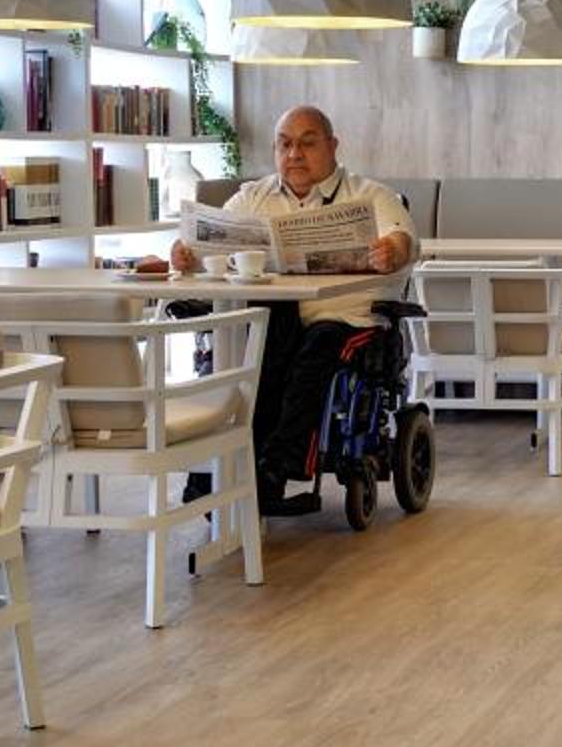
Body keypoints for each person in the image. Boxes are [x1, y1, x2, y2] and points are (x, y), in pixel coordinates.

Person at [170, 105, 413, 508]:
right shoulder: (253, 197)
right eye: (284, 145)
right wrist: (185, 254)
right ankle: (208, 473)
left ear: (333, 146)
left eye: (307, 143)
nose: (294, 154)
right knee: (236, 355)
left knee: (315, 349)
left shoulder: (370, 195)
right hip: (273, 315)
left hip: (342, 318)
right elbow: (204, 244)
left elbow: (403, 238)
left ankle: (276, 469)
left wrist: (392, 251)